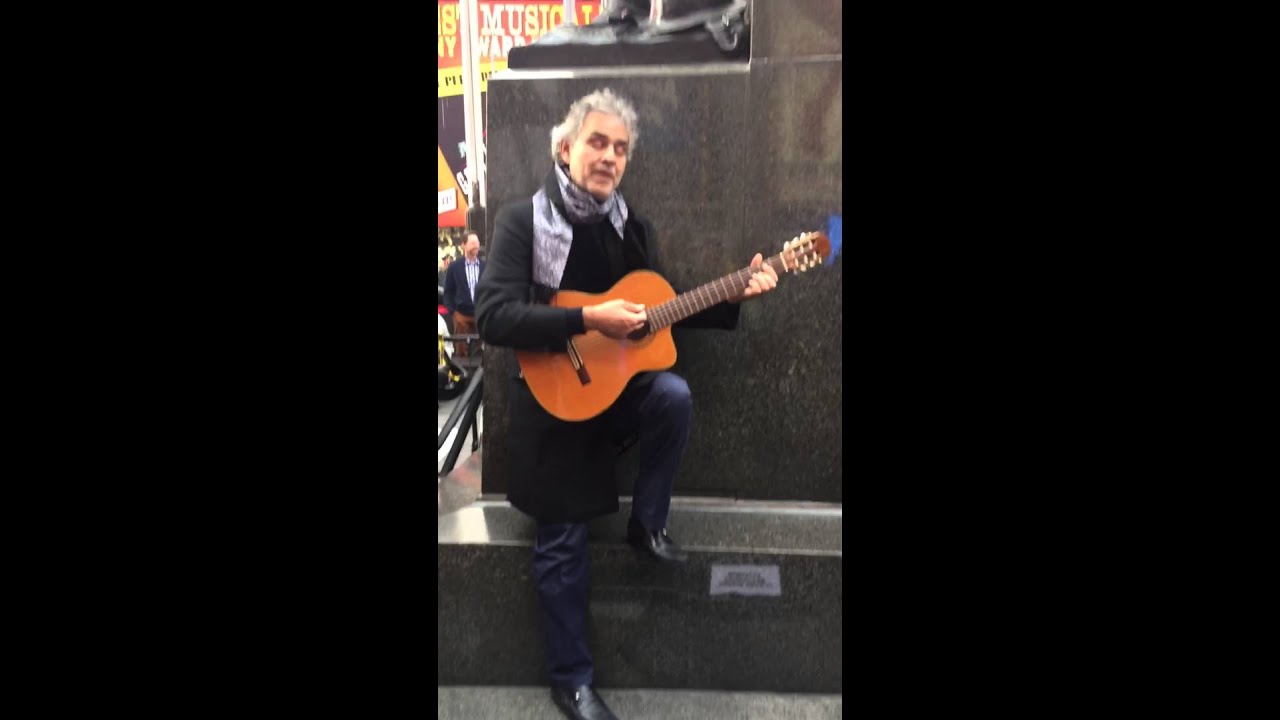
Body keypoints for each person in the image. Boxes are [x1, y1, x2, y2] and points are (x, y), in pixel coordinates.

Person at [475, 88, 777, 720]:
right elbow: (495, 316)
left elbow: (657, 310)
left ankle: (648, 520)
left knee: (671, 393)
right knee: (561, 540)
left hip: (609, 399)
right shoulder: (522, 221)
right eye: (597, 142)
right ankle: (572, 681)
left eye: (620, 149)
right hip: (550, 405)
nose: (609, 157)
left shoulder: (632, 226)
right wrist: (588, 317)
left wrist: (734, 297)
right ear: (565, 146)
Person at [443, 233, 485, 357]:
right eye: (472, 243)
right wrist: (453, 312)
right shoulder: (454, 267)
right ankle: (462, 373)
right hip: (461, 314)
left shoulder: (485, 266)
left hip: (480, 312)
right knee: (461, 348)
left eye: (477, 243)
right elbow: (448, 291)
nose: (476, 246)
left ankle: (481, 372)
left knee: (482, 349)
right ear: (463, 245)